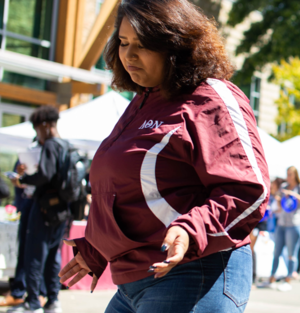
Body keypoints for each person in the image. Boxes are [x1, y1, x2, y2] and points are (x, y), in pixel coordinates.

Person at [56, 1, 269, 312]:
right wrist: (100, 247)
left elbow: (249, 190)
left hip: (195, 272)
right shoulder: (141, 101)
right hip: (133, 280)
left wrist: (191, 229)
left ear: (176, 46)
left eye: (142, 46)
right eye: (123, 42)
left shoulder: (211, 97)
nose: (127, 56)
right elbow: (134, 191)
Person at [7, 106, 68, 313]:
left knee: (34, 255)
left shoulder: (50, 145)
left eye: (37, 129)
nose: (37, 135)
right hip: (61, 212)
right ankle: (53, 300)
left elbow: (45, 175)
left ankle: (32, 304)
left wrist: (22, 179)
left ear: (44, 126)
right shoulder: (66, 145)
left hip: (43, 210)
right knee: (53, 256)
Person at [0, 160, 45, 308]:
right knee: (31, 251)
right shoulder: (38, 149)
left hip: (37, 207)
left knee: (33, 252)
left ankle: (33, 295)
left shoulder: (47, 149)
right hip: (32, 205)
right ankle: (32, 294)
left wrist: (23, 178)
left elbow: (41, 178)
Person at [268, 166, 300, 291]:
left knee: (292, 253)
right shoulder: (284, 187)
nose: (289, 176)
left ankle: (288, 280)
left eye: (291, 174)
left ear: (296, 175)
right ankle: (272, 278)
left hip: (296, 223)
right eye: (288, 174)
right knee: (277, 251)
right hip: (282, 222)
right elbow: (282, 206)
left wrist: (293, 195)